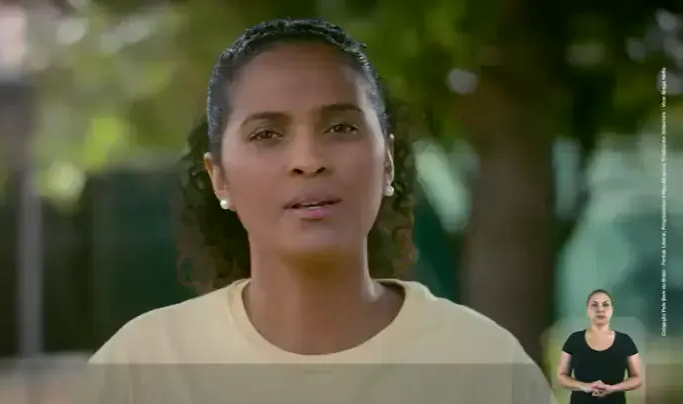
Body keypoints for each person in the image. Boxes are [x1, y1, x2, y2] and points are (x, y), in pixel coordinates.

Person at [82, 18, 554, 404]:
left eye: (341, 127)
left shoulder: (486, 367)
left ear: (387, 161)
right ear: (219, 177)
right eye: (267, 135)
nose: (308, 160)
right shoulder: (142, 370)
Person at [556, 289, 643, 403]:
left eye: (605, 305)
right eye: (594, 305)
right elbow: (561, 376)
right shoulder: (574, 339)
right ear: (587, 310)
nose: (600, 309)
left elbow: (637, 378)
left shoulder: (625, 341)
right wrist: (585, 386)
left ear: (612, 310)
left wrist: (613, 388)